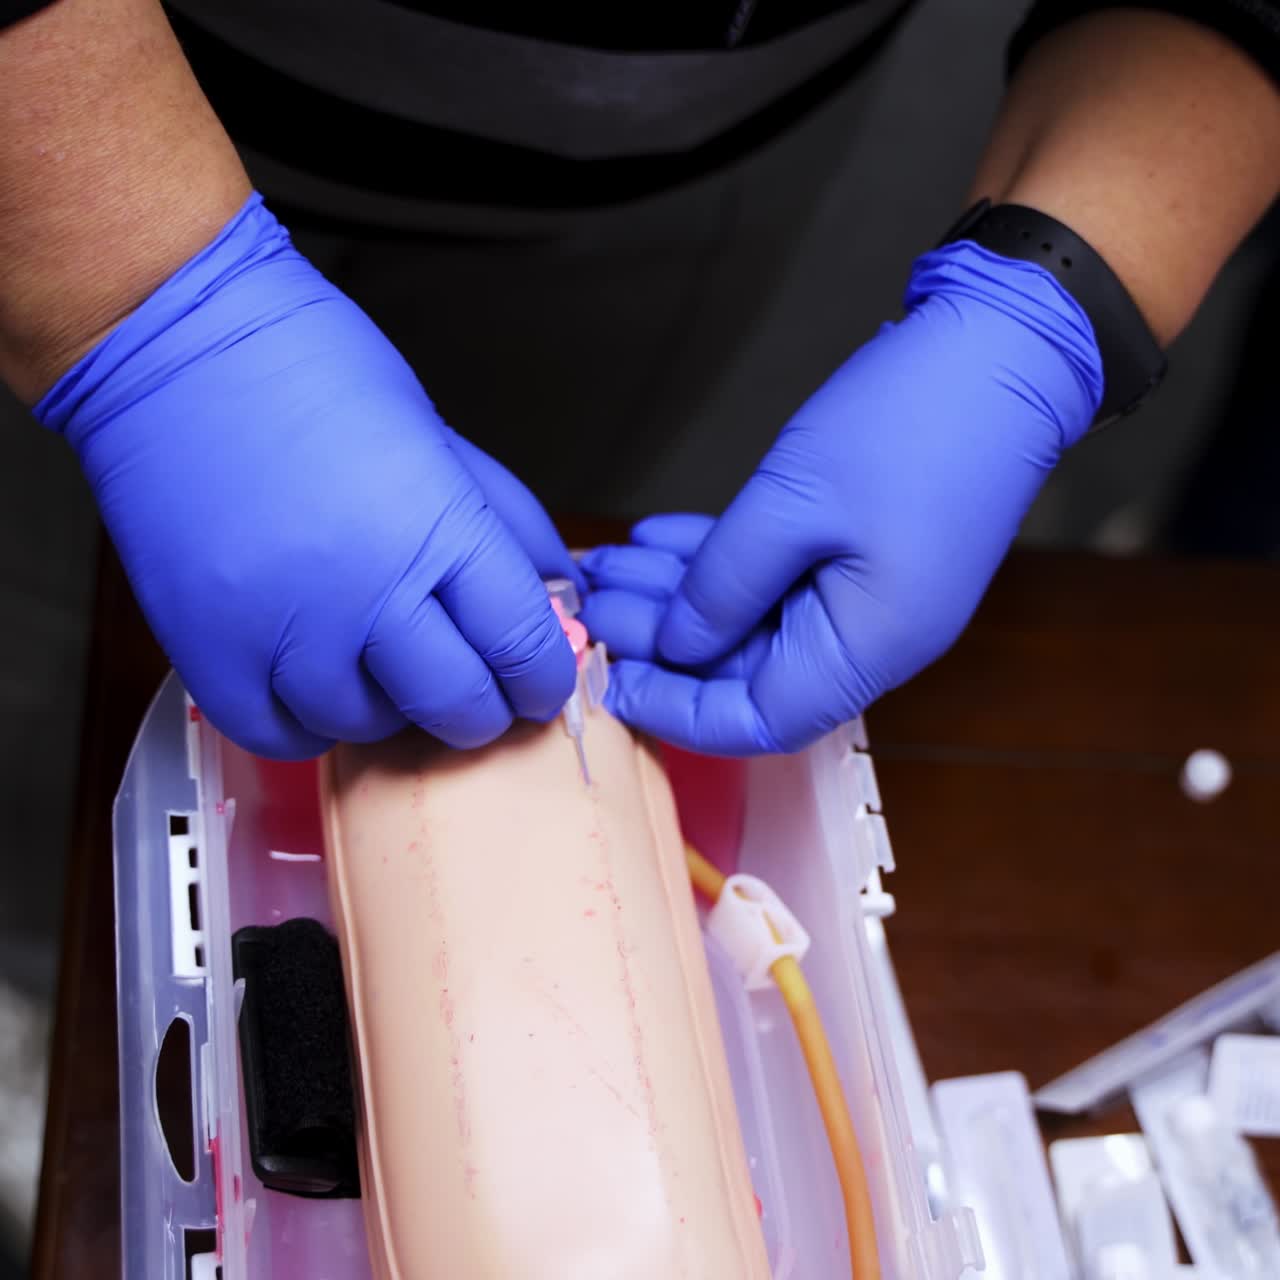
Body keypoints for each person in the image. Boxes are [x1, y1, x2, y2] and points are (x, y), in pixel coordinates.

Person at [1, 0, 1277, 760]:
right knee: (48, 629)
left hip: (677, 156)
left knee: (462, 611)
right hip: (64, 107)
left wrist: (1052, 298)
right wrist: (137, 305)